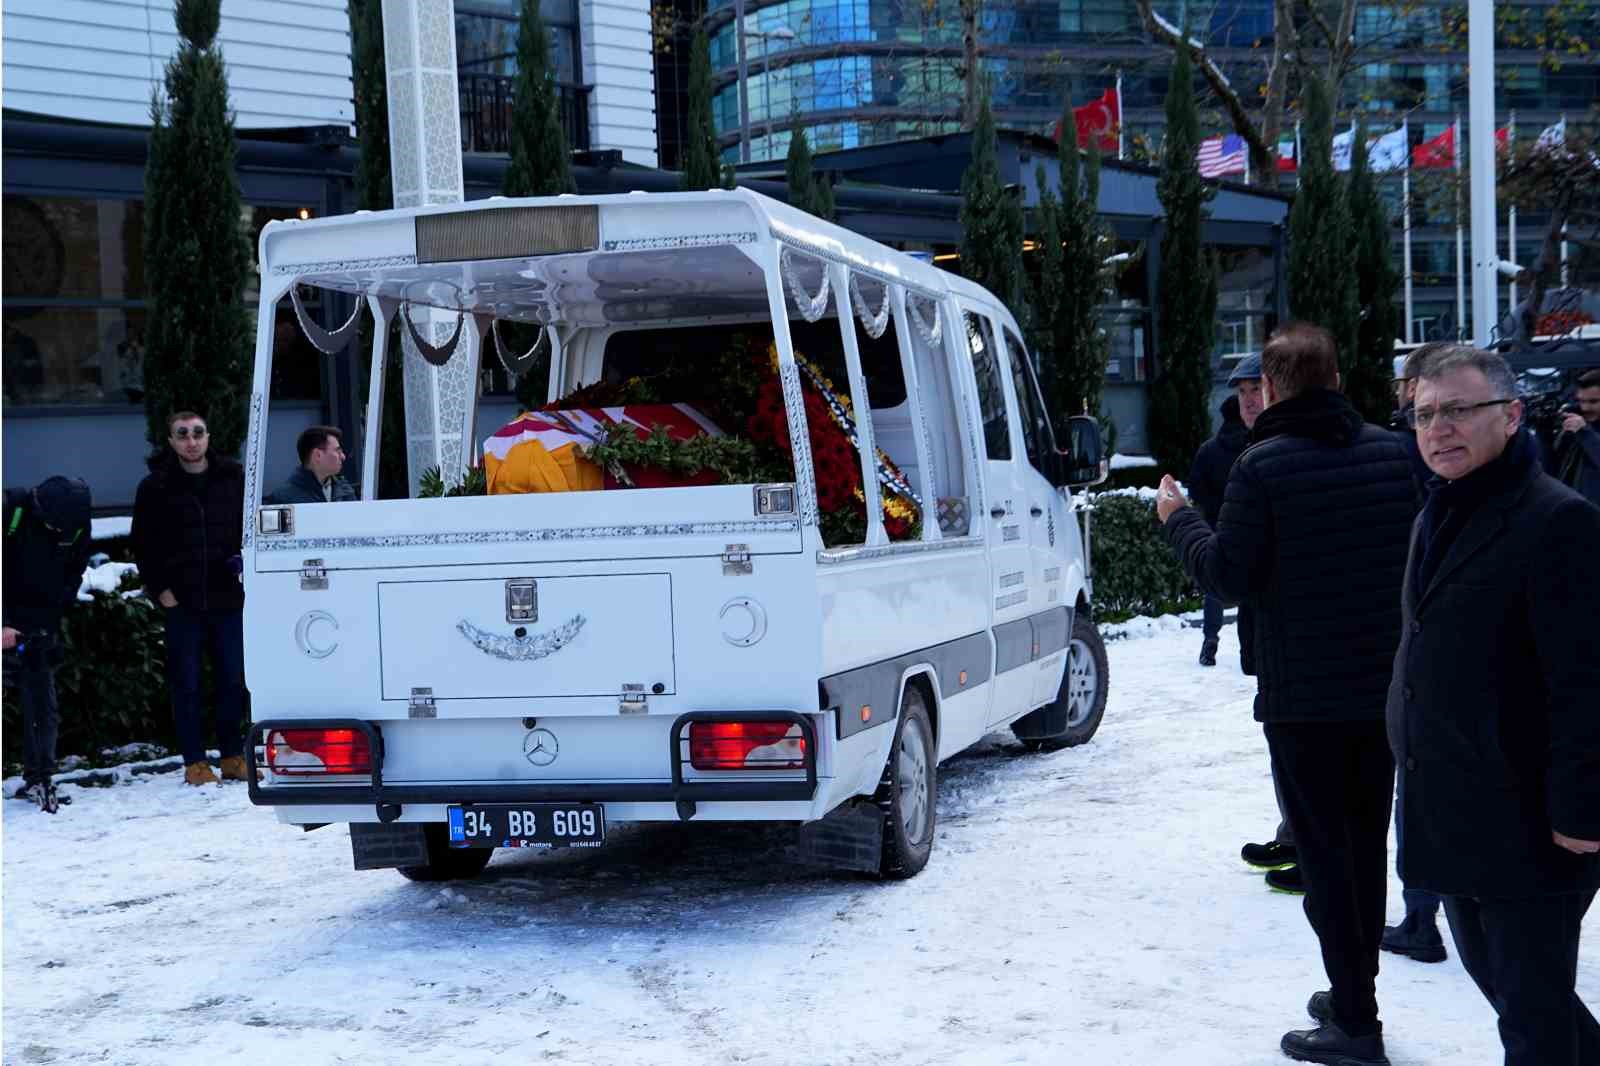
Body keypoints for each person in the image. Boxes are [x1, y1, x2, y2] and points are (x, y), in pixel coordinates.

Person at [1157, 322, 1417, 1066]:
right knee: (1364, 849)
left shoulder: (1261, 467)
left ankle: (1356, 1026)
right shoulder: (1392, 452)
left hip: (1304, 699)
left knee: (1327, 860)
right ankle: (1354, 994)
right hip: (1383, 688)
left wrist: (1180, 522)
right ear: (1336, 380)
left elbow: (1229, 573)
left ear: (1269, 389)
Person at [1389, 345, 1599, 1066]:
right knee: (1517, 996)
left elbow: (1586, 680)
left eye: (1458, 410)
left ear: (1510, 416)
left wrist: (1578, 813)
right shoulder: (1437, 512)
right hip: (1453, 810)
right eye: (1424, 414)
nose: (1438, 429)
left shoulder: (1557, 521)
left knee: (1531, 1020)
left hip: (1530, 826)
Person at [131, 412, 250, 787]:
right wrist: (160, 589)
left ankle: (232, 755)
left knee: (233, 679)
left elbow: (250, 529)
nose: (191, 441)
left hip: (228, 596)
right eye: (182, 435)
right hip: (181, 601)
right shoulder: (155, 487)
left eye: (198, 433)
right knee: (187, 683)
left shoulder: (233, 477)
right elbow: (143, 544)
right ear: (170, 441)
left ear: (208, 436)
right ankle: (195, 761)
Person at [2, 477, 92, 813]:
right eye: (53, 526)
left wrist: (54, 613)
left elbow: (75, 569)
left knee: (42, 704)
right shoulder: (12, 511)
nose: (59, 532)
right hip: (8, 609)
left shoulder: (77, 518)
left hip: (40, 620)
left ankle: (39, 776)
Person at [1188, 354, 1263, 668]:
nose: (1248, 400)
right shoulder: (1250, 448)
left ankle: (1210, 640)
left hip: (1219, 527)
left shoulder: (1250, 450)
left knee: (1216, 586)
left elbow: (1197, 491)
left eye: (1255, 389)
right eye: (1242, 392)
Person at [1546, 367, 1600, 507]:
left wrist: (1585, 432)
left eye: (1593, 402)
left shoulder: (1584, 429)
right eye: (1581, 401)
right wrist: (1544, 431)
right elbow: (1551, 466)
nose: (1585, 408)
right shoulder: (1577, 420)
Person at [266, 425, 357, 504]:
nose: (343, 456)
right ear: (318, 455)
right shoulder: (283, 499)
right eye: (337, 451)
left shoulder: (346, 491)